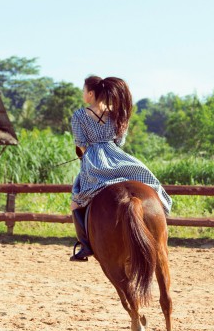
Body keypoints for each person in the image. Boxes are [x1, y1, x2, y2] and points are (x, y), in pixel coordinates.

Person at [69, 75, 172, 261]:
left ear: (91, 94)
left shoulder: (79, 115)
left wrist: (91, 154)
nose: (83, 94)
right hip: (117, 157)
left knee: (76, 200)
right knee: (148, 180)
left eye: (84, 91)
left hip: (93, 159)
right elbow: (120, 141)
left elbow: (81, 144)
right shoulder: (117, 113)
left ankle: (84, 247)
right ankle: (162, 217)